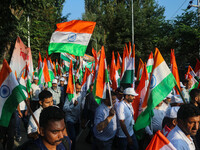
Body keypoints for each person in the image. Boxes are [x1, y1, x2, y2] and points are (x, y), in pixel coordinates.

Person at [63, 81, 83, 150]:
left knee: (76, 135)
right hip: (70, 119)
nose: (78, 90)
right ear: (74, 88)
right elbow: (64, 108)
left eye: (80, 88)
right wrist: (73, 106)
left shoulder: (81, 95)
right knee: (73, 137)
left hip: (78, 120)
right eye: (77, 88)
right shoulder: (70, 95)